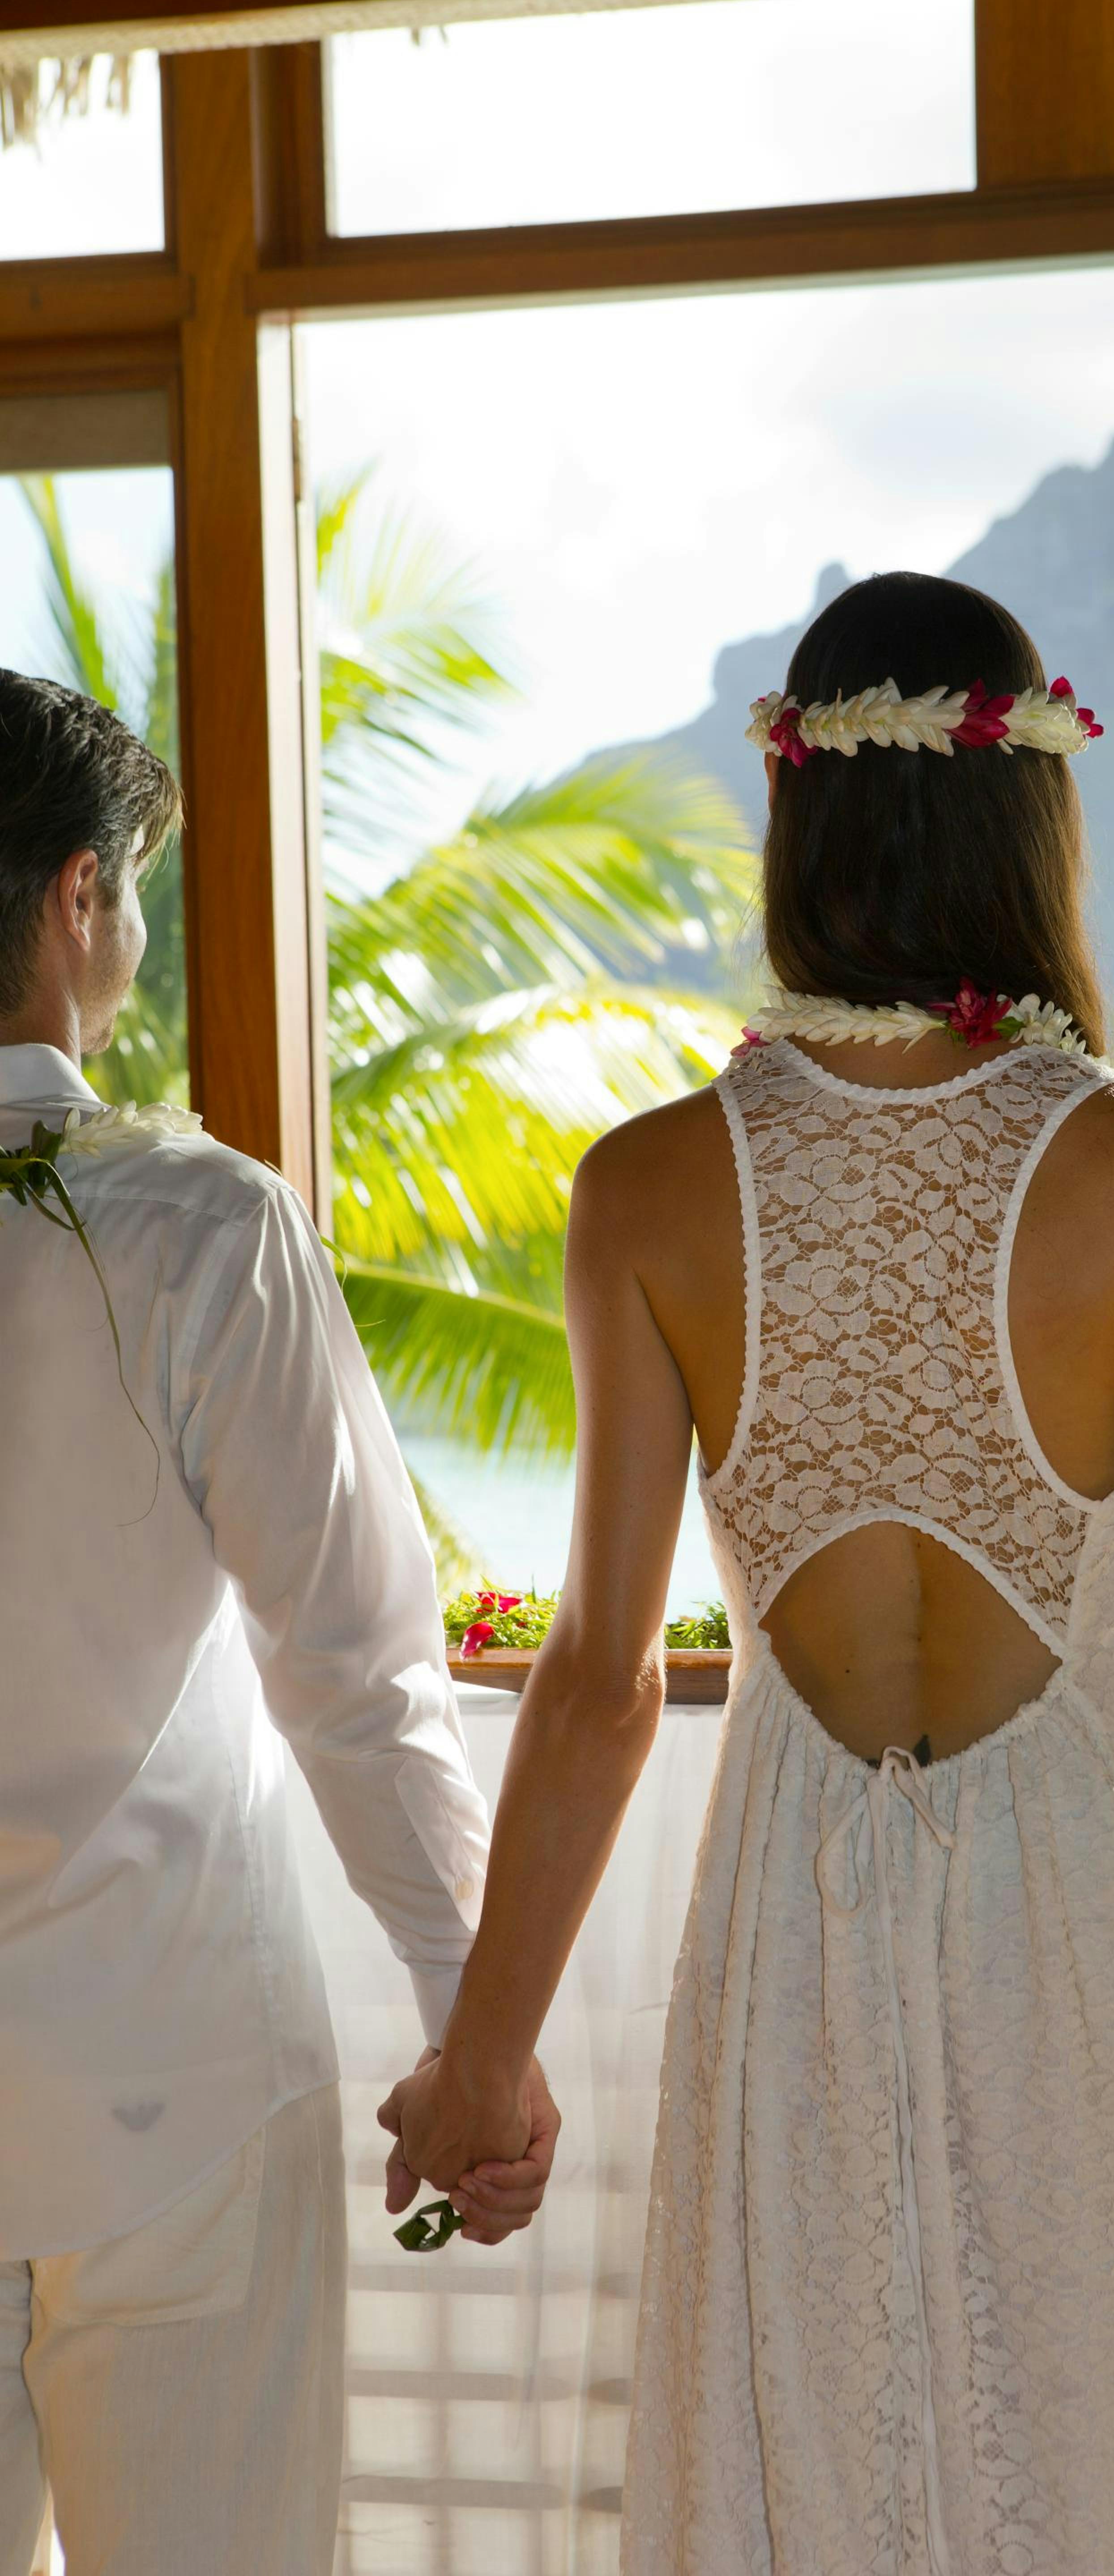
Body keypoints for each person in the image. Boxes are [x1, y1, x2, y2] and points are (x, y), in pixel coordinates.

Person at [381, 572, 1114, 2572]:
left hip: (799, 1903)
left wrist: (488, 2048)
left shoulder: (644, 1181)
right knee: (1110, 2468)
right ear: (1034, 827)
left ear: (796, 825)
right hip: (1092, 1910)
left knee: (812, 2470)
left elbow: (598, 1677)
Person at [0, 672, 558, 2576]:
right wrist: (471, 2022)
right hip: (175, 2060)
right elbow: (357, 1665)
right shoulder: (193, 1225)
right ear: (78, 900)